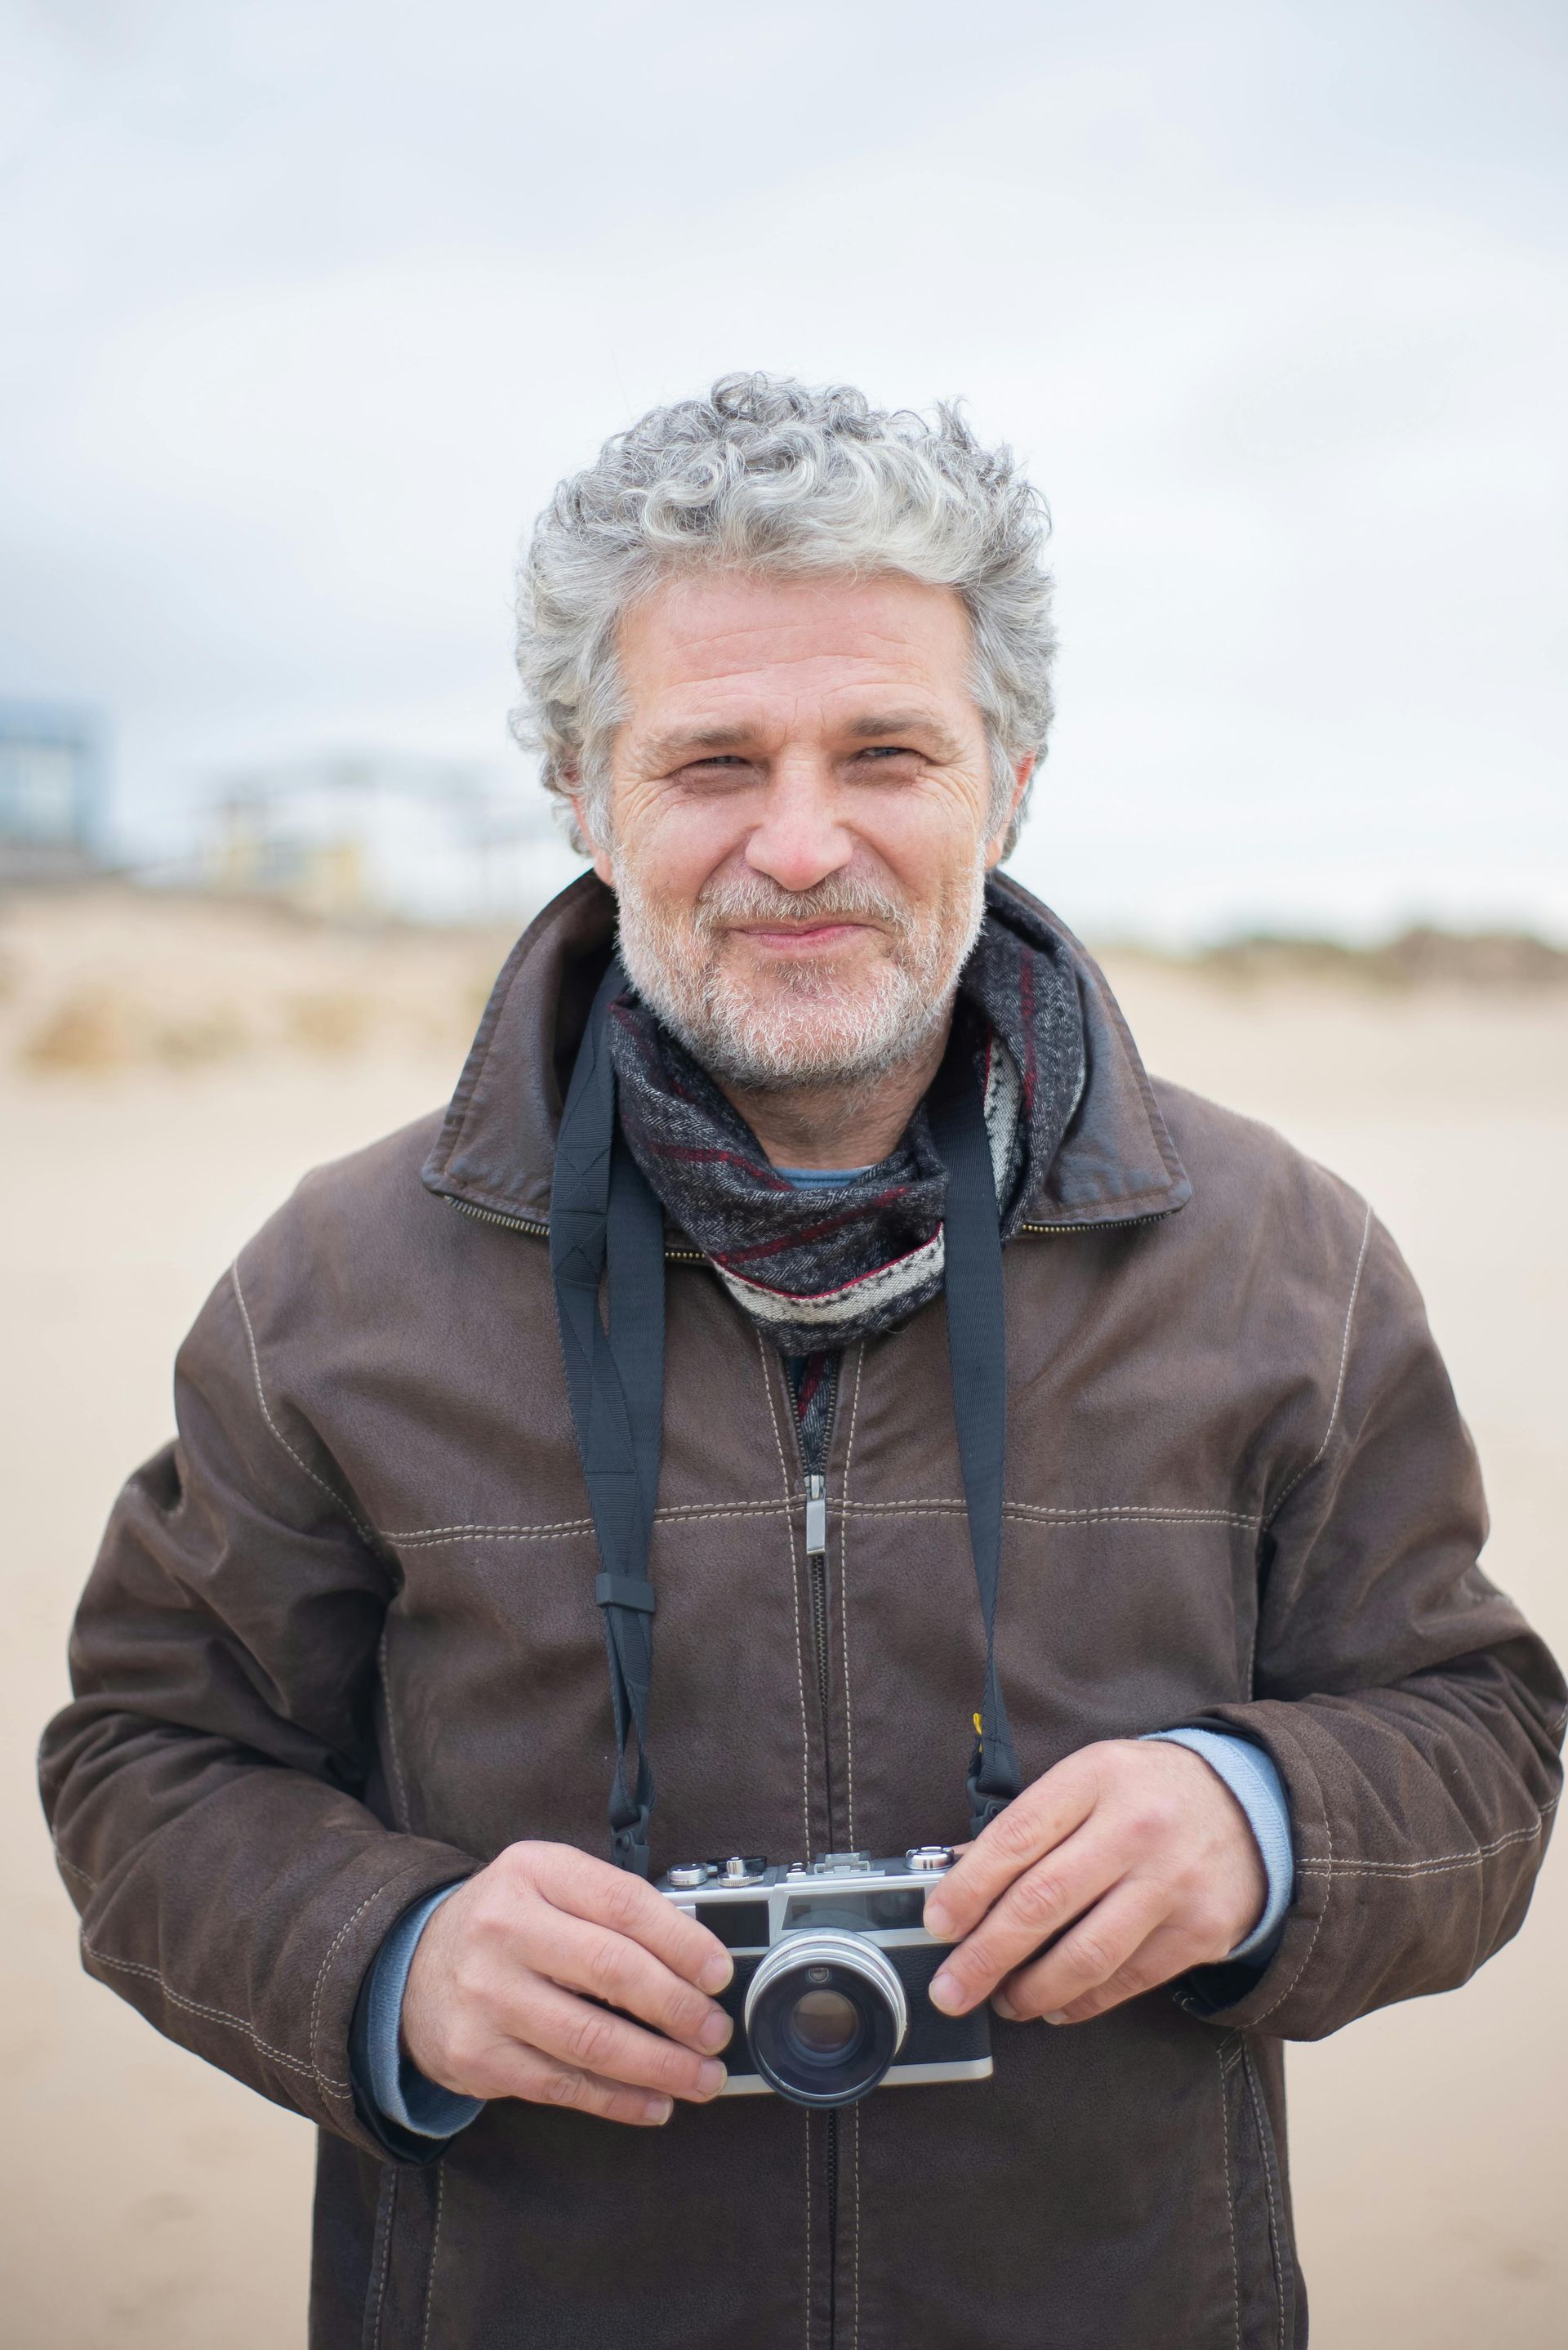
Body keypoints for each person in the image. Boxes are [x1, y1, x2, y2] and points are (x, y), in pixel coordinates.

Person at [40, 375, 1562, 2350]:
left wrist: (1259, 1820)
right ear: (583, 796)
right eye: (712, 761)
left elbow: (1480, 1731)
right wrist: (392, 1954)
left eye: (886, 752)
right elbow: (148, 1761)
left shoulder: (1282, 1255)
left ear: (1009, 779)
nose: (800, 839)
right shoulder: (334, 1287)